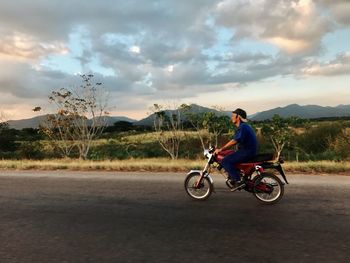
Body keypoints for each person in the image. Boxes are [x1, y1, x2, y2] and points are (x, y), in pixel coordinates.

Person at [214, 108, 258, 189]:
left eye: (233, 116)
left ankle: (238, 181)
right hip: (247, 151)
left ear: (238, 117)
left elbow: (234, 141)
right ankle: (236, 175)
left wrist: (221, 149)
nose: (232, 117)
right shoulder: (244, 126)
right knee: (229, 153)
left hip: (247, 152)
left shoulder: (243, 127)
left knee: (225, 161)